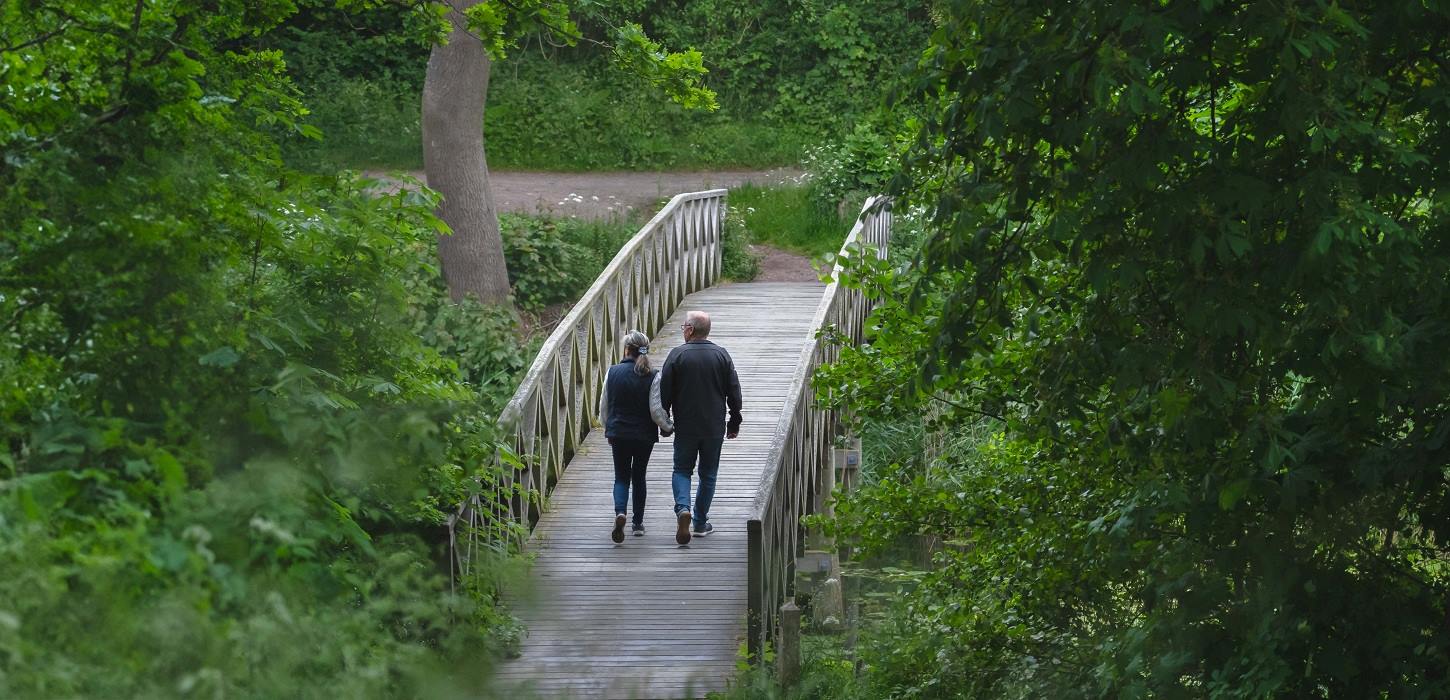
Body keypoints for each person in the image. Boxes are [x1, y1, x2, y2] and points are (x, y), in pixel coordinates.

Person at [659, 310, 742, 545]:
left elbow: (664, 393)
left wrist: (664, 423)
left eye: (684, 326)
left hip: (685, 425)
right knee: (708, 474)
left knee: (681, 470)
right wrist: (734, 421)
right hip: (713, 426)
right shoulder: (722, 355)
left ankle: (683, 508)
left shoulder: (677, 355)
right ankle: (700, 522)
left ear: (690, 329)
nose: (683, 330)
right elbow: (734, 392)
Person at [599, 330, 674, 543]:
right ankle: (638, 524)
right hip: (643, 435)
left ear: (626, 349)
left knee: (621, 476)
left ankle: (620, 512)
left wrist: (608, 428)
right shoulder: (653, 375)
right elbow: (655, 410)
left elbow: (604, 406)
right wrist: (667, 427)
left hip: (619, 433)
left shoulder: (612, 372)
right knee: (639, 476)